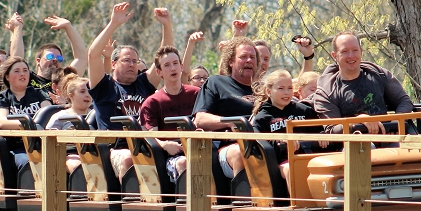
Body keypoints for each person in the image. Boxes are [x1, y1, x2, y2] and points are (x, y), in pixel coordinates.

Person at [312, 32, 413, 135]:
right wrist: (357, 121)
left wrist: (396, 124)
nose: (351, 56)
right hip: (352, 145)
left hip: (390, 139)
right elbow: (332, 130)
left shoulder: (379, 74)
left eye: (355, 50)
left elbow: (404, 101)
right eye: (345, 51)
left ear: (361, 51)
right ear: (334, 56)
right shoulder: (326, 91)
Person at [86, 2, 163, 126]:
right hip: (114, 144)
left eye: (135, 61)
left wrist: (166, 25)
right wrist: (114, 23)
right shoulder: (104, 86)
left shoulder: (144, 84)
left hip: (144, 142)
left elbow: (163, 58)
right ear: (113, 64)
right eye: (126, 60)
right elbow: (93, 55)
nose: (132, 64)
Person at [194, 38, 259, 178]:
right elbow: (200, 119)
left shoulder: (264, 90)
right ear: (231, 61)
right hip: (227, 147)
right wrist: (232, 122)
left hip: (262, 144)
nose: (249, 60)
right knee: (242, 153)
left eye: (252, 57)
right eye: (243, 57)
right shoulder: (216, 82)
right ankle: (243, 198)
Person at [137, 46, 199, 182]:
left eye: (176, 63)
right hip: (170, 157)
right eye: (167, 65)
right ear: (159, 72)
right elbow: (149, 137)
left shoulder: (196, 93)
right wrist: (164, 145)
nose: (173, 68)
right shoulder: (152, 102)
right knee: (183, 163)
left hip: (200, 149)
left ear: (181, 67)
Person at [250, 70, 323, 181]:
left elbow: (318, 130)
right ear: (268, 91)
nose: (286, 92)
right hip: (282, 161)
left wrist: (322, 137)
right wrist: (280, 142)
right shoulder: (262, 118)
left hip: (310, 156)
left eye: (290, 88)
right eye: (281, 88)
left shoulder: (305, 110)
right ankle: (296, 198)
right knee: (292, 169)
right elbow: (259, 145)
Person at [0, 55, 53, 171]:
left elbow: (47, 114)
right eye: (17, 71)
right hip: (17, 147)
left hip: (42, 144)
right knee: (30, 163)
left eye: (25, 70)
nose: (22, 74)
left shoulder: (39, 93)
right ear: (7, 76)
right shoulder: (1, 98)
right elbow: (2, 122)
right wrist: (29, 125)